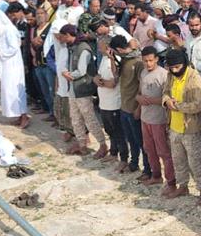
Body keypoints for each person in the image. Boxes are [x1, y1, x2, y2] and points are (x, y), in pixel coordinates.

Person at [162, 48, 201, 204]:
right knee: (178, 160)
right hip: (174, 127)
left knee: (196, 162)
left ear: (184, 63)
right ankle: (183, 186)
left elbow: (198, 104)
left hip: (190, 129)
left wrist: (177, 106)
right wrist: (167, 101)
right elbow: (165, 92)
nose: (175, 70)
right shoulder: (170, 75)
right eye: (172, 68)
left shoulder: (194, 78)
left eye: (177, 67)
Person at [58, 24, 107, 156]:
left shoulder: (83, 48)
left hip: (82, 89)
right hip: (73, 90)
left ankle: (102, 145)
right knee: (75, 119)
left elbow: (81, 71)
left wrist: (68, 75)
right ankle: (81, 145)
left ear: (68, 35)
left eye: (63, 36)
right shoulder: (72, 47)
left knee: (89, 119)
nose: (61, 39)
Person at [137, 46, 175, 193]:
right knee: (149, 149)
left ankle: (171, 181)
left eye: (151, 60)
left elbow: (169, 99)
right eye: (145, 61)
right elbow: (139, 93)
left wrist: (151, 100)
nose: (148, 63)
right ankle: (156, 175)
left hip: (159, 119)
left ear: (157, 59)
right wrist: (139, 100)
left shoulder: (164, 75)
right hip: (145, 118)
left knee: (163, 151)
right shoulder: (143, 73)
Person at [0, 10, 30, 128]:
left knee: (16, 91)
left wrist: (1, 53)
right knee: (9, 91)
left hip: (12, 64)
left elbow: (14, 47)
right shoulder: (3, 31)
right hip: (7, 63)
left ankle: (24, 116)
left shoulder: (9, 30)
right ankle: (18, 115)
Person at [112, 35, 148, 177]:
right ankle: (134, 164)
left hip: (133, 108)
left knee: (141, 141)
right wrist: (111, 59)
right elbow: (116, 75)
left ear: (119, 49)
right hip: (125, 107)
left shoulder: (137, 62)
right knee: (131, 139)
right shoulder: (124, 60)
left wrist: (138, 108)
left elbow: (142, 85)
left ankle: (148, 169)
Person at [94, 35, 129, 171]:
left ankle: (124, 158)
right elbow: (98, 75)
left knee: (118, 132)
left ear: (108, 46)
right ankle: (113, 152)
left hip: (114, 102)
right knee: (109, 129)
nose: (98, 48)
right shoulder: (103, 59)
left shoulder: (116, 60)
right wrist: (97, 79)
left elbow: (114, 82)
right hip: (104, 102)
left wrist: (102, 82)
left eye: (100, 45)